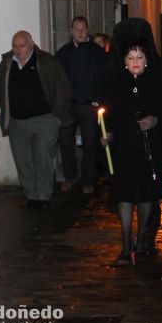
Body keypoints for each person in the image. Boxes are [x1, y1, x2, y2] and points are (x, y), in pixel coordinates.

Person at [101, 35, 162, 264]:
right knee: (124, 194)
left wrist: (155, 121)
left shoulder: (157, 81)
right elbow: (109, 115)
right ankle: (125, 243)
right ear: (124, 60)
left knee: (145, 194)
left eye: (139, 57)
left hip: (149, 146)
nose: (135, 62)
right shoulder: (115, 84)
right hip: (124, 148)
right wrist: (108, 134)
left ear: (147, 59)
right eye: (130, 58)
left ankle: (141, 241)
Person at [0, 31, 71, 209]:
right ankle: (31, 194)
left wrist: (56, 117)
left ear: (31, 44)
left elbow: (62, 88)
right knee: (23, 159)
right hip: (17, 121)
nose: (18, 50)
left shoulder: (47, 62)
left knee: (42, 155)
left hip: (45, 120)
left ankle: (44, 195)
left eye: (22, 46)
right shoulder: (8, 63)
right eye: (15, 46)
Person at [56, 16, 108, 195]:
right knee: (65, 140)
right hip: (69, 105)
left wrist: (98, 99)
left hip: (88, 104)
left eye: (83, 29)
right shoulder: (63, 53)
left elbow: (104, 77)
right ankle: (70, 176)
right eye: (76, 29)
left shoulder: (97, 52)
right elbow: (58, 81)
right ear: (71, 31)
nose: (79, 32)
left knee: (90, 143)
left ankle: (88, 179)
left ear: (87, 30)